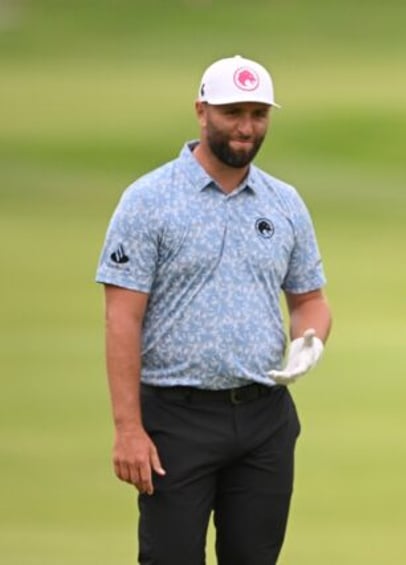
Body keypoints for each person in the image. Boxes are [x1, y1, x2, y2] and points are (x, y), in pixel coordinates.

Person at [95, 54, 331, 565]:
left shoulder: (284, 202)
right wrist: (128, 429)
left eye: (258, 113)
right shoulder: (149, 200)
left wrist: (309, 342)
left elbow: (310, 300)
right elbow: (122, 319)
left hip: (265, 417)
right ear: (202, 112)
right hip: (176, 419)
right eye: (233, 112)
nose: (246, 127)